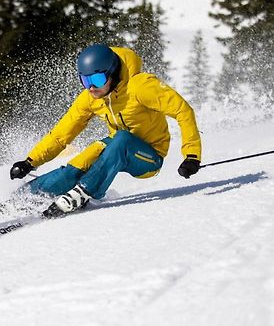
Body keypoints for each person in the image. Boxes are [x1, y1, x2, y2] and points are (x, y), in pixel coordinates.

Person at [10, 44, 201, 218]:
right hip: (117, 149)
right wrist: (30, 161)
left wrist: (192, 155)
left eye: (98, 79)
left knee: (122, 139)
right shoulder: (91, 97)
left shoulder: (141, 86)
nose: (91, 87)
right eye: (85, 80)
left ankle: (85, 192)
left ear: (113, 73)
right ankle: (27, 196)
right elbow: (62, 133)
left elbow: (182, 110)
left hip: (149, 157)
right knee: (84, 158)